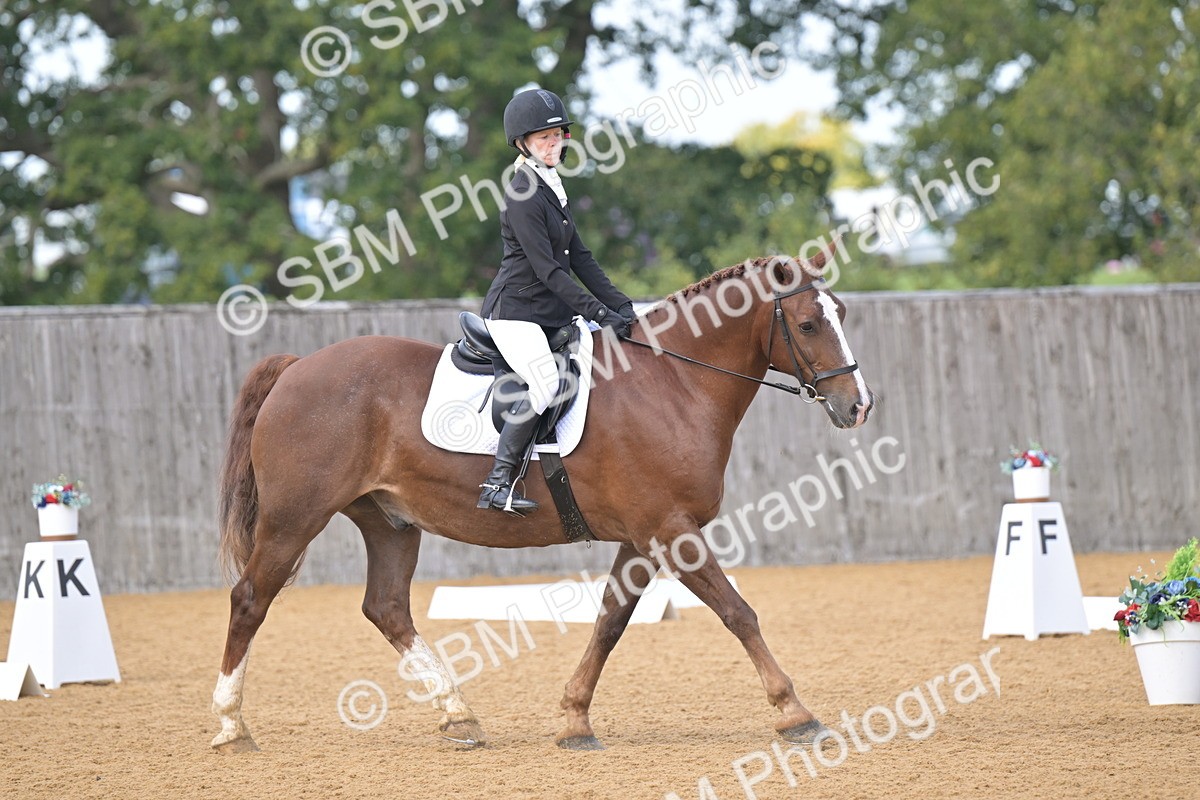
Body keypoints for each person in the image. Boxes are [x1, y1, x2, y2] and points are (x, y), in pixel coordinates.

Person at [477, 88, 635, 515]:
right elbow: (549, 271)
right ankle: (497, 483)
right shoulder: (523, 193)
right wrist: (599, 314)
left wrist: (622, 305)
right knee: (546, 382)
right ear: (522, 143)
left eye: (558, 135)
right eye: (543, 138)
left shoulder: (551, 186)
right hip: (515, 314)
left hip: (547, 313)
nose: (554, 143)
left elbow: (580, 257)